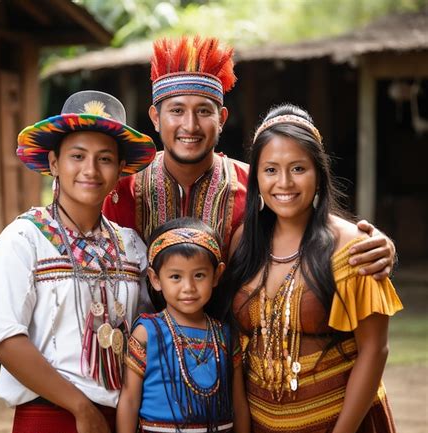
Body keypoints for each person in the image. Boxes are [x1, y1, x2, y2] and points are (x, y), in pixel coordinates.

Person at [103, 35, 396, 278]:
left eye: (204, 111)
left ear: (222, 118)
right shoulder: (121, 189)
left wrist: (370, 243)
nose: (190, 125)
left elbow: (300, 210)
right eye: (176, 111)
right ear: (155, 117)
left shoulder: (252, 183)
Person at [0, 90, 156, 433]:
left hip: (120, 426)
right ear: (54, 163)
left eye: (105, 159)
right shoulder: (24, 239)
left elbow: (142, 333)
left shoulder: (130, 247)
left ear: (121, 169)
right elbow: (5, 338)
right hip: (51, 422)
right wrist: (80, 406)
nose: (90, 170)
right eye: (77, 156)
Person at [223, 104, 403, 433]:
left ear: (318, 175)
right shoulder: (243, 242)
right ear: (255, 179)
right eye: (270, 170)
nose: (284, 183)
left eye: (298, 169)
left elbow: (375, 349)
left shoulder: (353, 247)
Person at [116, 217, 251, 433]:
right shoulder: (148, 332)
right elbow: (129, 400)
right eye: (175, 276)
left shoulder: (225, 336)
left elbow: (239, 404)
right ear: (156, 279)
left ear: (217, 275)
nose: (188, 287)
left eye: (199, 275)